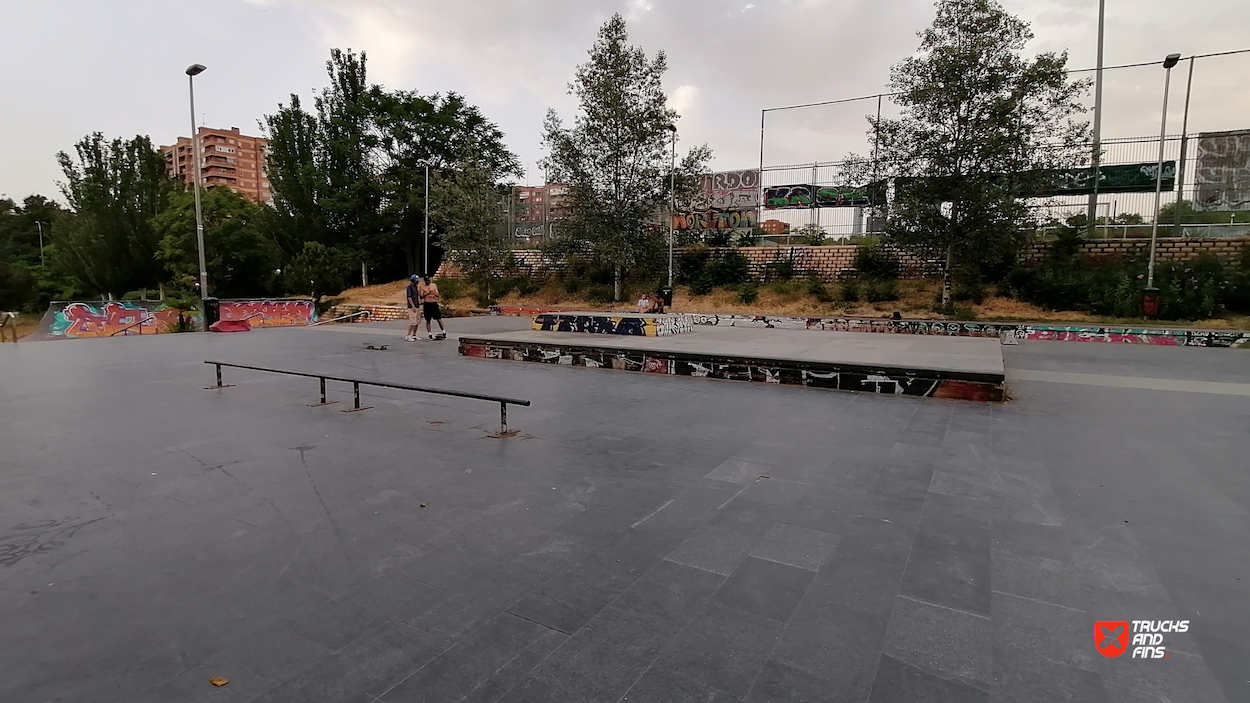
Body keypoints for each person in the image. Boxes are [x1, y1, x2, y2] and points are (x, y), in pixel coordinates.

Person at [418, 275, 446, 340]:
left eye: (428, 280)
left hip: (434, 302)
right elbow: (421, 296)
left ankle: (443, 331)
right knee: (428, 320)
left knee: (438, 318)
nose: (428, 281)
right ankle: (429, 334)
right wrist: (427, 293)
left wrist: (433, 292)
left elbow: (438, 295)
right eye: (426, 280)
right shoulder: (422, 287)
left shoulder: (434, 285)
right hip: (427, 303)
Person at [404, 275, 422, 341]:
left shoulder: (416, 287)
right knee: (412, 322)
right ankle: (408, 335)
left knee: (417, 322)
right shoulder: (409, 287)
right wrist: (413, 306)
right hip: (412, 307)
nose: (417, 282)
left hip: (417, 306)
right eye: (416, 281)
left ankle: (414, 335)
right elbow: (409, 297)